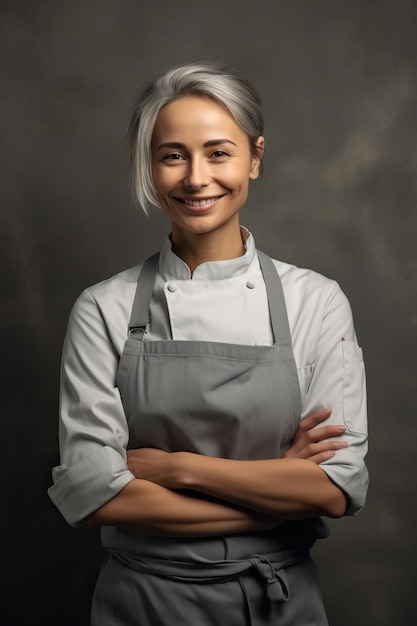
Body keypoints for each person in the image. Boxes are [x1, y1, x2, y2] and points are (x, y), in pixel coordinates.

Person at [48, 61, 368, 625]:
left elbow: (335, 488)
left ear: (256, 157)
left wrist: (175, 470)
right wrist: (274, 499)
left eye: (219, 152)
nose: (197, 178)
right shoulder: (103, 308)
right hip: (143, 604)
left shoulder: (316, 302)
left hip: (279, 605)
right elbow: (95, 495)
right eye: (173, 155)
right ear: (151, 167)